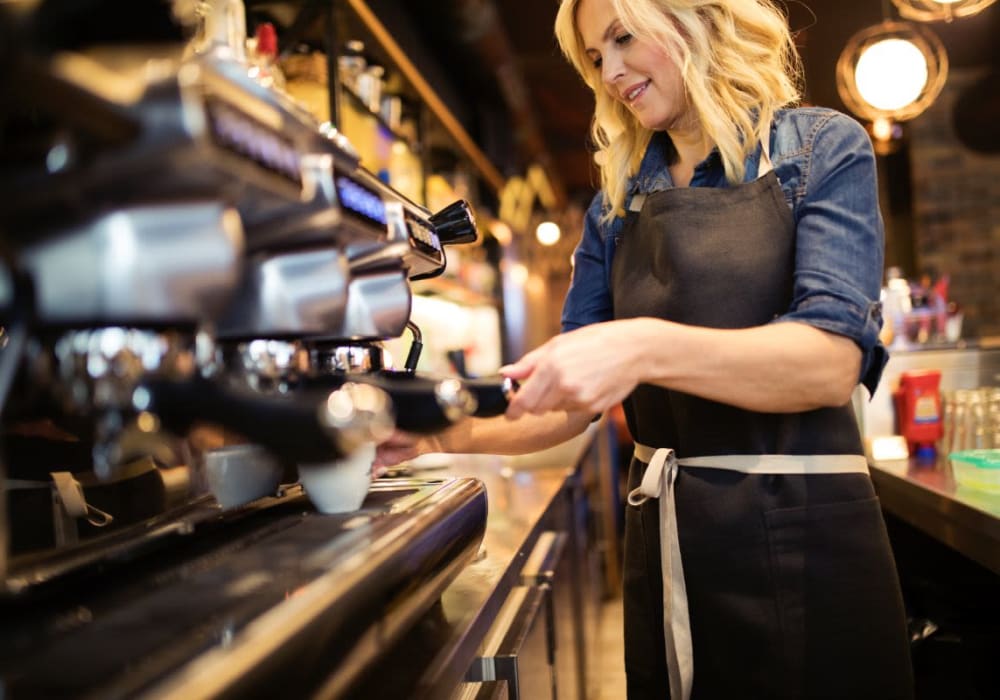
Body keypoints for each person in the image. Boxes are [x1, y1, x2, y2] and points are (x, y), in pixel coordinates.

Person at [376, 0, 914, 697]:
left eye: (624, 38)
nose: (612, 73)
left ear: (700, 17)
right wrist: (439, 436)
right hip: (670, 544)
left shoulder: (818, 149)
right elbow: (570, 399)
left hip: (807, 536)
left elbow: (829, 362)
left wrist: (641, 348)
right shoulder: (615, 205)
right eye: (596, 58)